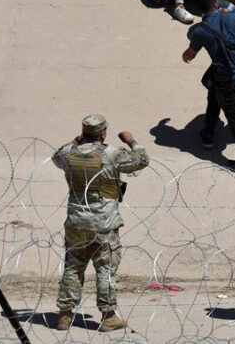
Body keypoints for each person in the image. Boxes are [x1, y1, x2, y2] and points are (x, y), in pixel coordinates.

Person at [53, 115, 149, 332]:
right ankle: (108, 316)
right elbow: (141, 159)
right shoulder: (111, 154)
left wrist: (75, 142)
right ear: (103, 132)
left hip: (77, 222)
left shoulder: (69, 153)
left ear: (83, 131)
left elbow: (55, 157)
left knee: (73, 267)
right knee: (105, 269)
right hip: (104, 223)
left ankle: (64, 316)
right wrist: (131, 141)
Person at [182, 0, 235, 175]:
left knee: (234, 116)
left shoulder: (200, 31)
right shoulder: (232, 15)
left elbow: (190, 55)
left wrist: (185, 57)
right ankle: (208, 133)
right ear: (215, 3)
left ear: (199, 10)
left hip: (228, 78)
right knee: (213, 90)